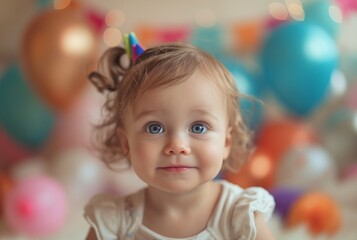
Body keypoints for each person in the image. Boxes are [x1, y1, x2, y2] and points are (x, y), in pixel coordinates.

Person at [84, 36, 275, 240]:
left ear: (226, 142)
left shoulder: (240, 218)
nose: (177, 146)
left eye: (199, 127)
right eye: (154, 127)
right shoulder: (113, 224)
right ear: (126, 143)